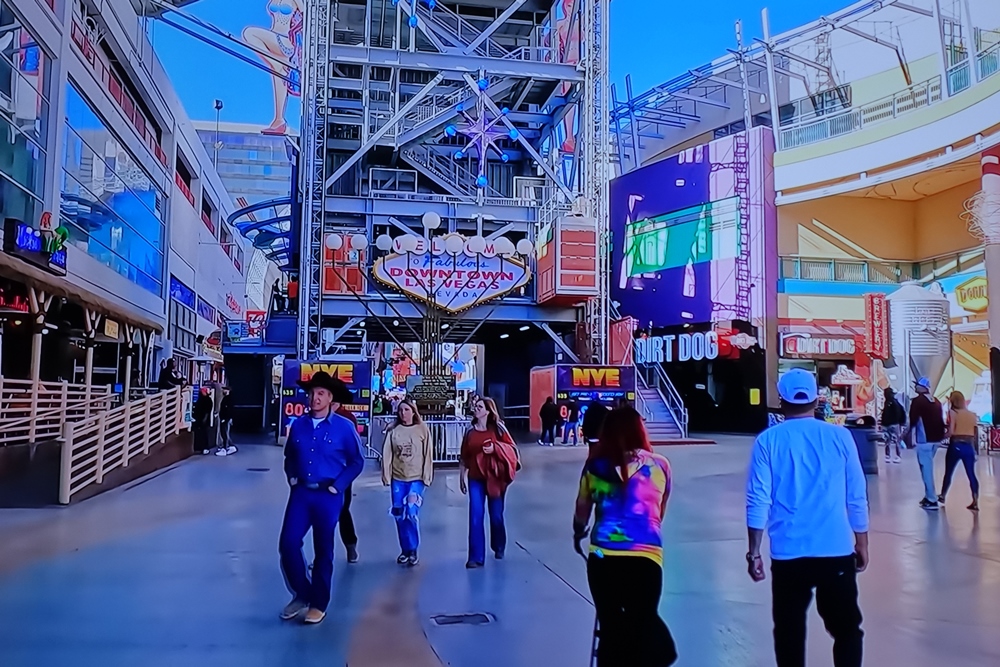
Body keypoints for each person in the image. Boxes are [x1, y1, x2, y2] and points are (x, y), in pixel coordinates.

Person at [746, 368, 869, 667]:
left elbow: (758, 499)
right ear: (816, 399)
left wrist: (754, 552)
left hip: (789, 554)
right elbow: (856, 494)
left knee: (788, 633)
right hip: (835, 550)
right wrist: (862, 542)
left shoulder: (767, 441)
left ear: (781, 400)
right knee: (847, 630)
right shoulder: (841, 437)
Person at [573, 407, 677, 667]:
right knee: (642, 620)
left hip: (602, 556)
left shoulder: (595, 467)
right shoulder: (660, 465)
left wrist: (578, 533)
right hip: (646, 559)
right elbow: (658, 513)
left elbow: (581, 511)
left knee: (610, 624)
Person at [279, 371, 364, 625]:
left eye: (321, 393)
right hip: (302, 492)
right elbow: (290, 456)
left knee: (323, 548)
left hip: (328, 494)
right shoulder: (298, 425)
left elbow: (357, 461)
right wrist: (292, 477)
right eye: (312, 393)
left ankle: (318, 603)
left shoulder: (344, 427)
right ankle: (302, 593)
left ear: (330, 398)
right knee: (288, 543)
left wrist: (339, 486)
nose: (315, 398)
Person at [459, 396, 518, 568]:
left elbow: (512, 450)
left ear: (488, 411)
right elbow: (464, 456)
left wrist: (495, 448)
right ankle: (475, 557)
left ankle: (499, 545)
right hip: (475, 478)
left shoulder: (499, 429)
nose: (476, 409)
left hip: (495, 478)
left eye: (480, 406)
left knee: (496, 516)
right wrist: (461, 476)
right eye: (475, 406)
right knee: (475, 516)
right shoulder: (470, 432)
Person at [381, 399, 433, 566]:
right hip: (398, 479)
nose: (404, 413)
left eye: (407, 410)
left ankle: (413, 549)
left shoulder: (422, 429)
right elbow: (387, 453)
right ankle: (405, 549)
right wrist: (386, 474)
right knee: (399, 515)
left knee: (411, 512)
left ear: (413, 411)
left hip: (416, 479)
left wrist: (427, 476)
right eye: (401, 410)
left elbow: (428, 453)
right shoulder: (394, 430)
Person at [242, 0, 303, 135]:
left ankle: (275, 63)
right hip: (275, 39)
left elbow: (307, 18)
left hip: (285, 40)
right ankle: (279, 120)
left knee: (249, 33)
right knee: (278, 75)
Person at [327, 378, 362, 564]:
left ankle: (350, 545)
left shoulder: (347, 419)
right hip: (320, 473)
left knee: (342, 510)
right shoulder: (316, 415)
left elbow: (354, 453)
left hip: (342, 474)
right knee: (321, 516)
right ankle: (323, 556)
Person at [906, 377, 946, 510]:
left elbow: (913, 420)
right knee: (928, 466)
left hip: (924, 440)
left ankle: (931, 499)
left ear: (922, 387)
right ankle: (928, 495)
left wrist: (905, 435)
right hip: (937, 439)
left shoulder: (918, 401)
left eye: (917, 385)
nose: (915, 387)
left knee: (926, 469)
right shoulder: (936, 401)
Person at [939, 390, 980, 511]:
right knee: (971, 474)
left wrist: (941, 437)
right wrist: (975, 451)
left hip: (956, 444)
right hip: (969, 446)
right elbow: (975, 434)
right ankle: (975, 500)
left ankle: (943, 496)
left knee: (949, 472)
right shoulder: (972, 414)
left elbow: (951, 431)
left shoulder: (953, 412)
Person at [880, 388, 905, 463]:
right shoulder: (893, 402)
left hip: (891, 424)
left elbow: (897, 413)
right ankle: (894, 455)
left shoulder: (891, 402)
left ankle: (892, 455)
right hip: (892, 424)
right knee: (893, 440)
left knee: (890, 440)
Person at [216, 387, 237, 457]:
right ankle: (228, 446)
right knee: (224, 433)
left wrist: (225, 418)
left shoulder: (229, 399)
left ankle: (226, 447)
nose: (223, 391)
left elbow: (228, 410)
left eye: (224, 390)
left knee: (224, 433)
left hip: (225, 418)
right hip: (224, 418)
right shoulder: (227, 398)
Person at [192, 387, 214, 455]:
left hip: (204, 420)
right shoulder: (200, 399)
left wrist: (204, 419)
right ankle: (199, 448)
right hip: (198, 420)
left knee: (204, 434)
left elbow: (208, 411)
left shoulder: (208, 400)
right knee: (199, 434)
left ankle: (205, 448)